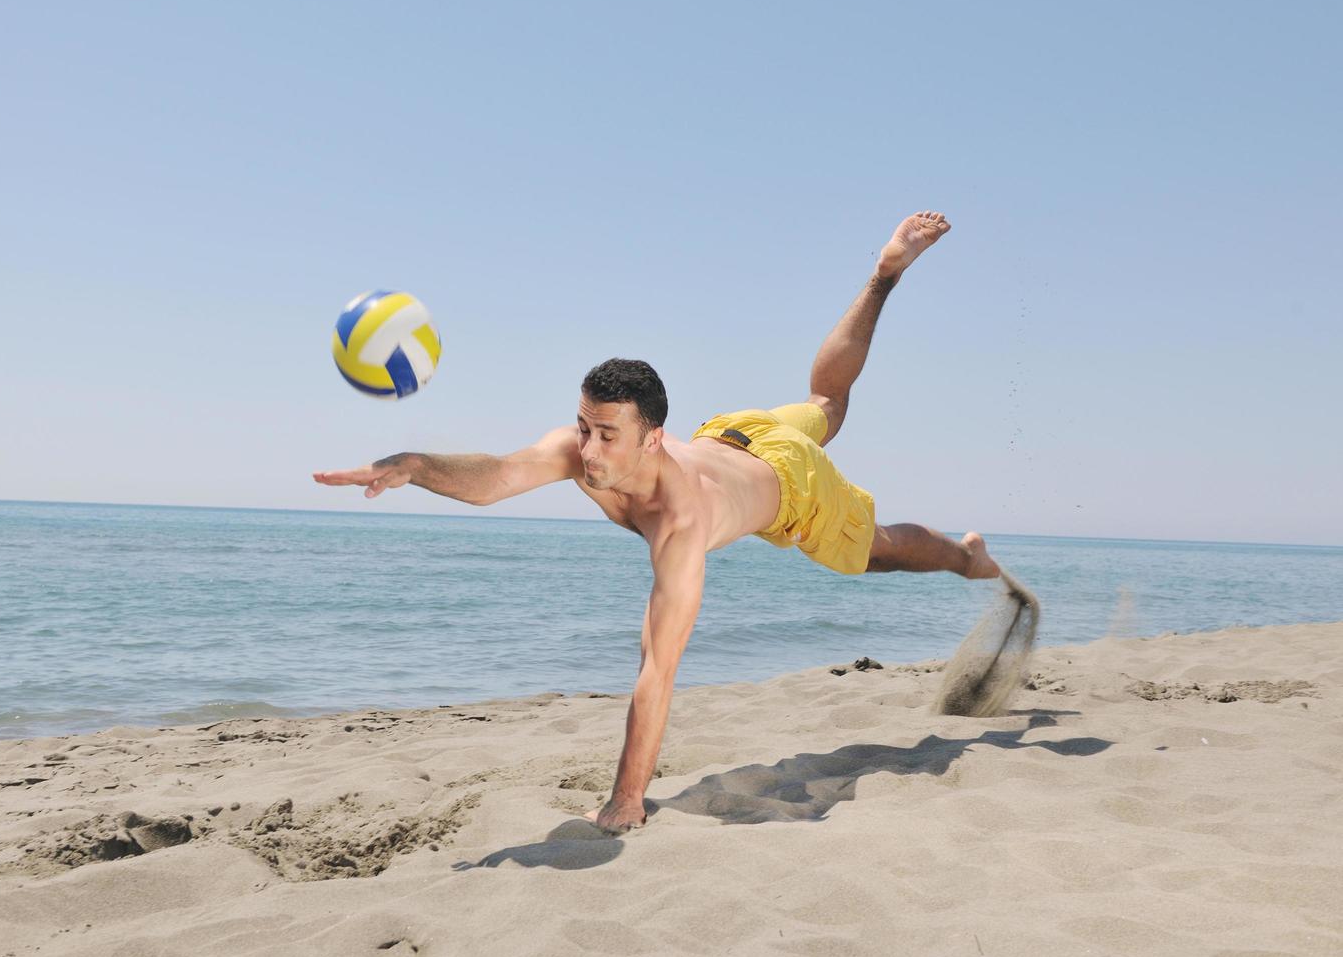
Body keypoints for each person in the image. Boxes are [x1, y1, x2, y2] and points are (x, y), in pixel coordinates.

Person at [314, 211, 999, 833]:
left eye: (607, 434)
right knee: (824, 400)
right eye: (584, 426)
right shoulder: (580, 450)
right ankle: (882, 275)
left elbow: (657, 671)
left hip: (793, 487)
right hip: (738, 434)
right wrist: (413, 464)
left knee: (875, 551)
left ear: (651, 437)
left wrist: (627, 798)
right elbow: (494, 478)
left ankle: (965, 554)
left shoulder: (680, 525)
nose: (587, 450)